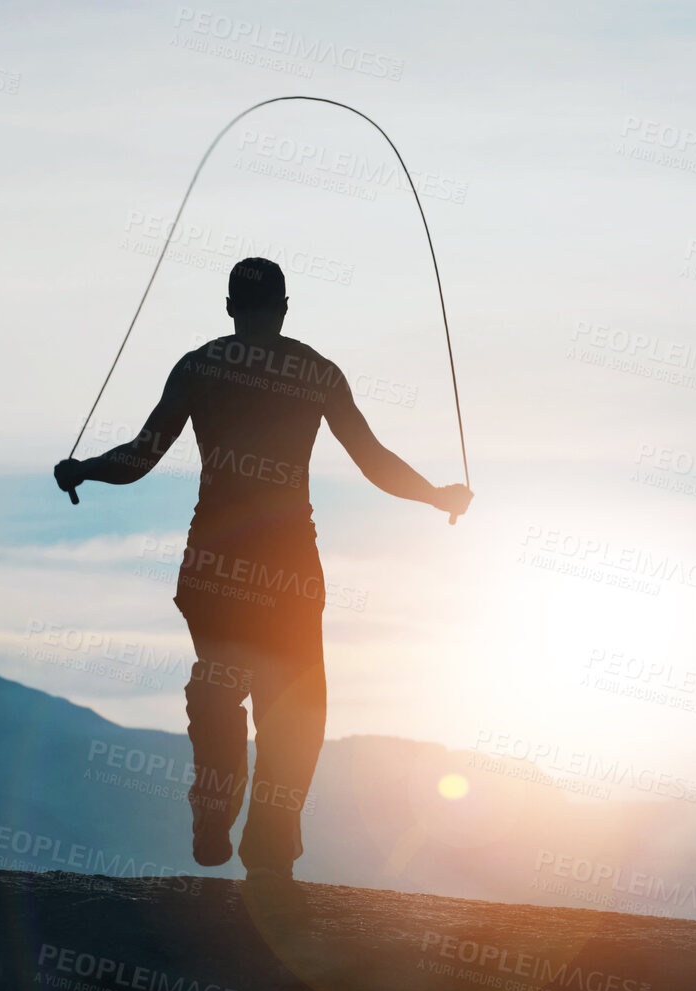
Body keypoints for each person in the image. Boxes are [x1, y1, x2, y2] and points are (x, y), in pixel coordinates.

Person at [54, 257, 470, 915]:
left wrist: (84, 470)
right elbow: (373, 460)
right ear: (283, 307)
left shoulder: (200, 366)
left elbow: (139, 456)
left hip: (212, 564)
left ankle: (214, 799)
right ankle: (269, 856)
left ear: (229, 306)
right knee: (295, 711)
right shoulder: (314, 372)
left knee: (223, 676)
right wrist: (437, 494)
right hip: (289, 571)